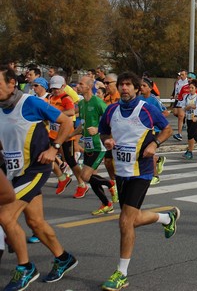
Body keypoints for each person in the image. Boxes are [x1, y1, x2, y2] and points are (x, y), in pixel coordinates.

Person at [98, 72, 179, 291]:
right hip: (122, 172)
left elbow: (167, 129)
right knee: (131, 220)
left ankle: (121, 274)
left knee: (125, 221)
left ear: (136, 89)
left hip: (141, 173)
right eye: (121, 85)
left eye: (128, 85)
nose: (124, 88)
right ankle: (166, 217)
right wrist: (107, 141)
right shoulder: (111, 110)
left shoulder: (146, 109)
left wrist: (154, 144)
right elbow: (103, 132)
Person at [0, 65, 78, 290]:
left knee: (5, 217)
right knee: (35, 222)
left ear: (12, 84)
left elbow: (66, 122)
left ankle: (25, 267)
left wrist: (54, 148)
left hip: (34, 170)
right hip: (13, 173)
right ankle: (63, 258)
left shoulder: (30, 103)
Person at [74, 76, 117, 214]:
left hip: (99, 145)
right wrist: (70, 135)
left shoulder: (98, 102)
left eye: (81, 84)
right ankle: (107, 204)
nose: (78, 86)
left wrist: (98, 129)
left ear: (88, 86)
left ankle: (110, 184)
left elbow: (112, 120)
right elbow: (82, 125)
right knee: (91, 179)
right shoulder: (81, 104)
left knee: (85, 176)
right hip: (88, 145)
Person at [139, 78, 170, 185]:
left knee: (149, 153)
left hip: (154, 130)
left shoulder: (154, 100)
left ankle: (155, 176)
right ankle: (158, 160)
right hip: (142, 130)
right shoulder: (138, 99)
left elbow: (166, 112)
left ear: (150, 88)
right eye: (141, 86)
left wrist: (154, 119)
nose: (141, 88)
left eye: (144, 86)